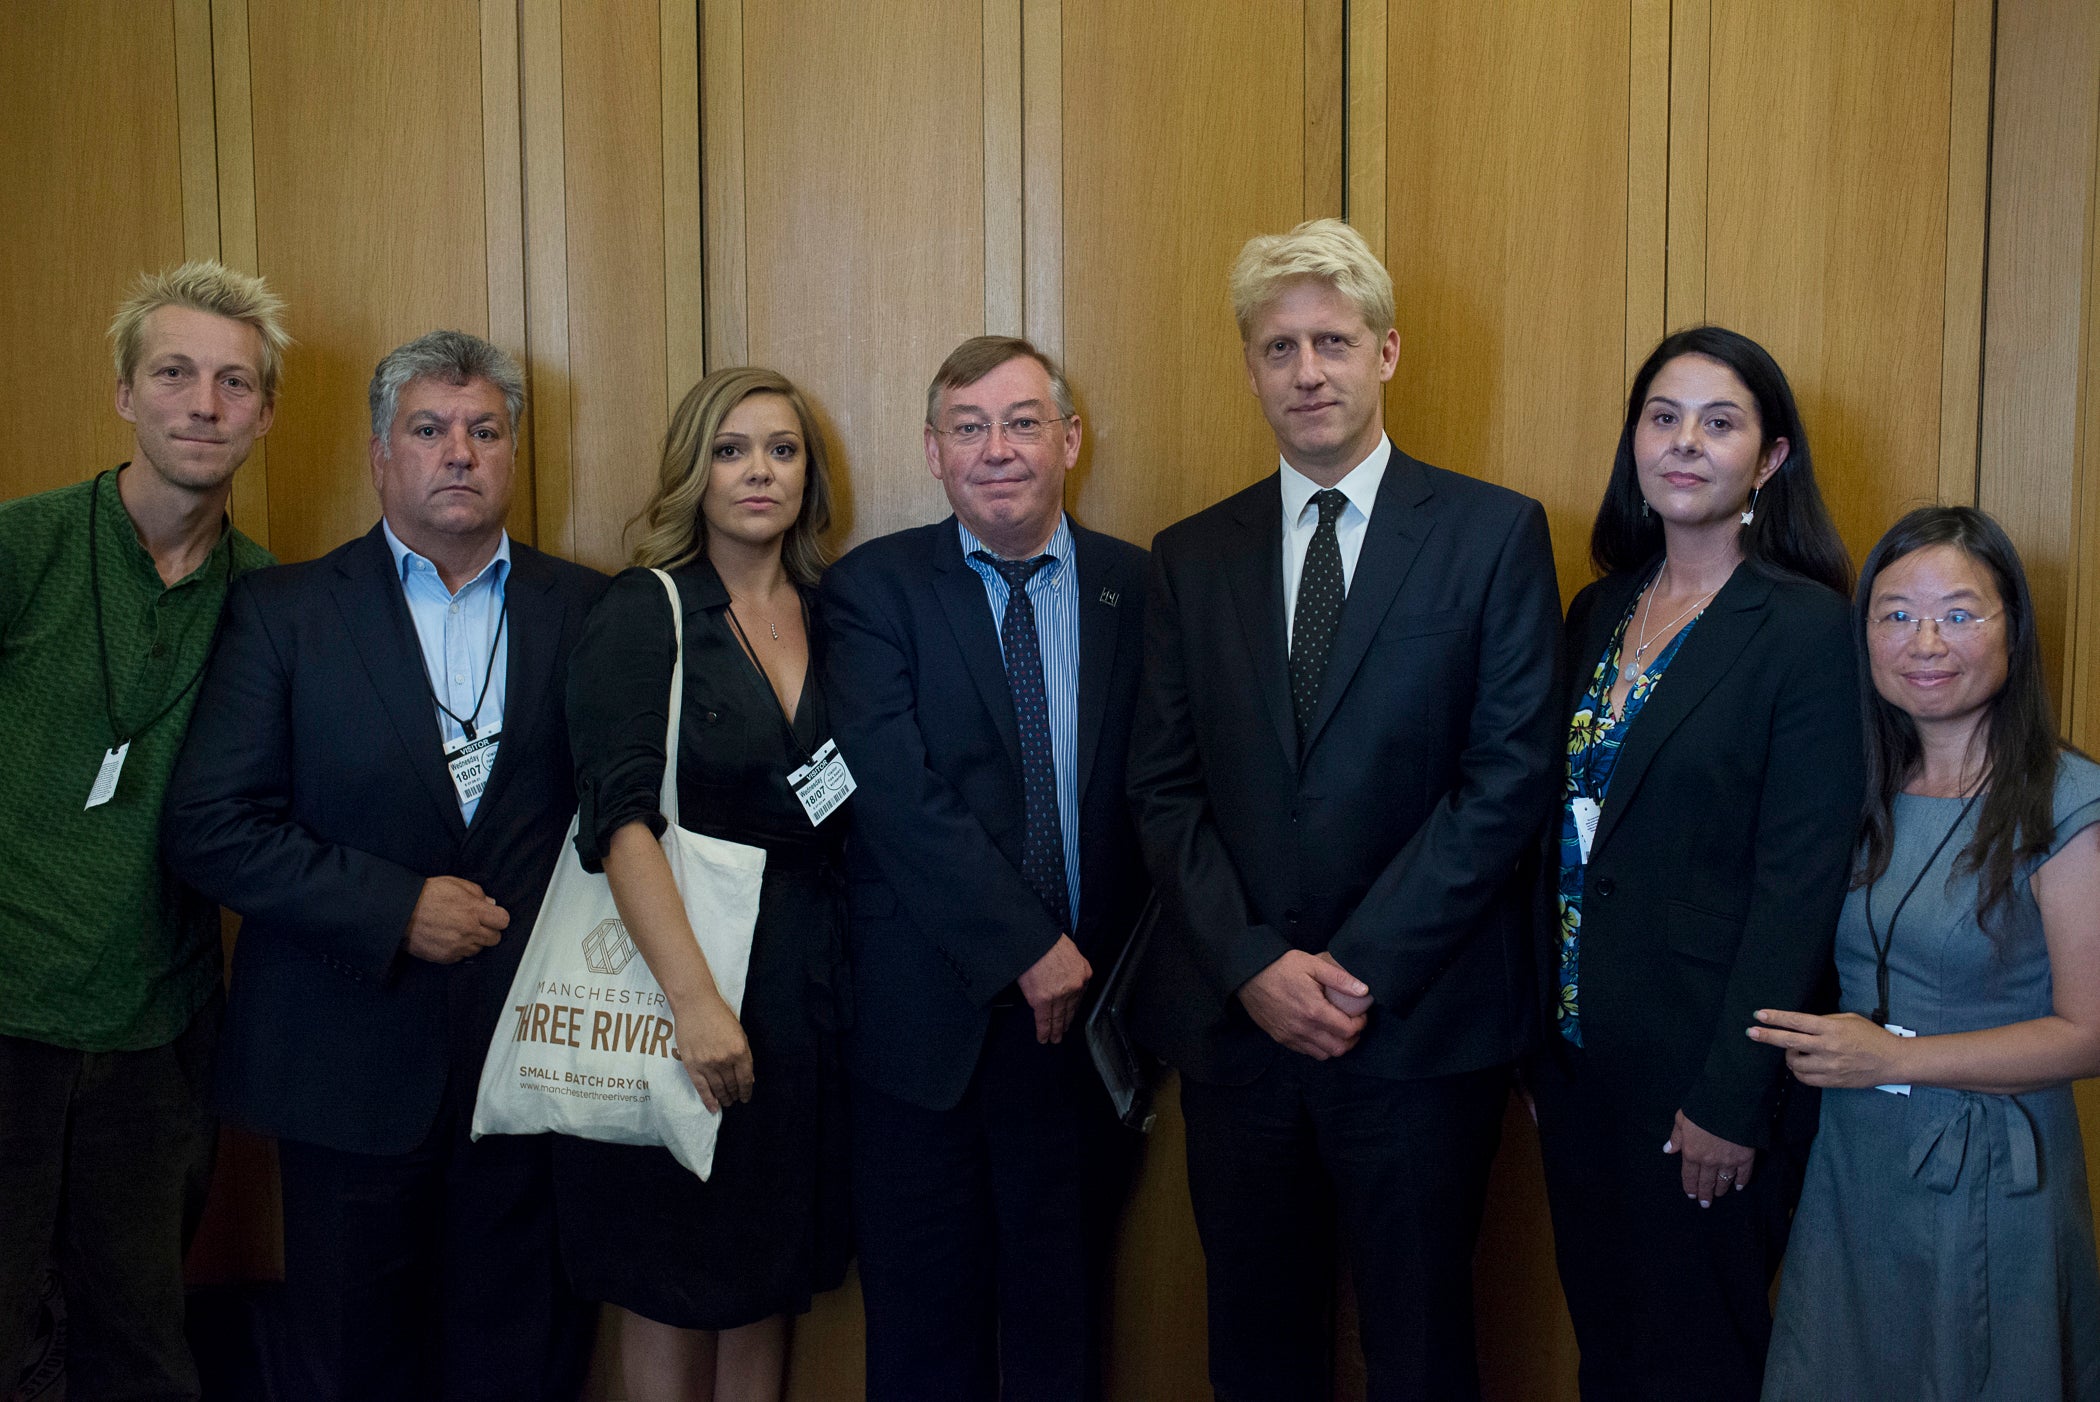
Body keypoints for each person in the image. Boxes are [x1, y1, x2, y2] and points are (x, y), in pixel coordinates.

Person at [1126, 217, 1563, 1401]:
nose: (1307, 370)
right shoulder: (1192, 555)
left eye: (1332, 340)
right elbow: (1162, 791)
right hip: (1241, 1035)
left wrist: (1354, 971)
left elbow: (1508, 778)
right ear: (1253, 367)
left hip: (1420, 1032)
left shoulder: (1492, 534)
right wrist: (1259, 967)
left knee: (1422, 1352)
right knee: (1256, 1353)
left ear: (1388, 353)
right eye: (1279, 348)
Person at [162, 331, 603, 1400]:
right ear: (379, 454)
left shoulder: (591, 609)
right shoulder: (283, 614)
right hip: (343, 1067)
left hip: (533, 1068)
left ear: (511, 453)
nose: (459, 451)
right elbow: (211, 825)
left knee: (522, 1360)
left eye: (484, 429)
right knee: (352, 1368)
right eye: (429, 428)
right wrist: (396, 906)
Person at [1528, 325, 1862, 1400]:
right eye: (1663, 417)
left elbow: (1798, 886)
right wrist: (1544, 1049)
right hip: (1582, 1064)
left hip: (1703, 1078)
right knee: (1609, 1352)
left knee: (1695, 1362)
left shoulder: (1808, 631)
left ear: (1768, 460)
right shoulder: (1599, 609)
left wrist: (1731, 1096)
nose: (1685, 443)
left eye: (1720, 424)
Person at [820, 335, 1150, 1402]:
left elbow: (1166, 794)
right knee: (924, 1342)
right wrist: (1026, 947)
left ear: (1071, 437)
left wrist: (1093, 971)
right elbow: (898, 793)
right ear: (930, 450)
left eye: (1020, 421)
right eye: (969, 427)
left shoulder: (1140, 587)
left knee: (1064, 1334)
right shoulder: (873, 590)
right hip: (926, 1034)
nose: (997, 448)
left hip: (1089, 1031)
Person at [0, 261, 285, 1400]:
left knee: (141, 1345)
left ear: (263, 413)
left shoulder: (270, 603)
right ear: (126, 394)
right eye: (174, 372)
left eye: (234, 382)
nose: (203, 404)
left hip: (159, 1033)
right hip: (7, 1012)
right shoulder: (24, 548)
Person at [553, 366, 851, 1402]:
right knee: (671, 1285)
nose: (757, 471)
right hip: (681, 995)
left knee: (765, 1285)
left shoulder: (832, 613)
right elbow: (618, 817)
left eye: (781, 448)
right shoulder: (647, 610)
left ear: (809, 477)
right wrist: (694, 1005)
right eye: (730, 449)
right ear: (693, 470)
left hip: (806, 1007)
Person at [1755, 506, 2100, 1400]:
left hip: (1987, 1172)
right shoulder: (1859, 784)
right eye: (1896, 613)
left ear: (2012, 630)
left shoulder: (2067, 799)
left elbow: (2090, 1033)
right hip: (1854, 1162)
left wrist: (1896, 1059)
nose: (1925, 641)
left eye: (1958, 612)